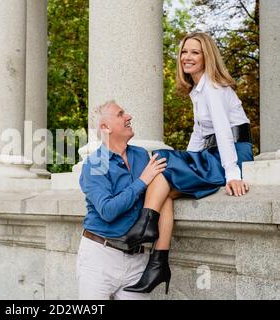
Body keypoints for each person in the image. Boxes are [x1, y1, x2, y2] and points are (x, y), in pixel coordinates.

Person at [123, 32, 254, 294]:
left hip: (230, 154)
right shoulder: (198, 89)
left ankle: (145, 226)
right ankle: (158, 262)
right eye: (184, 52)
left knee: (161, 164)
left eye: (195, 52)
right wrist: (185, 159)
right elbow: (199, 133)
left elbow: (223, 132)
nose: (187, 57)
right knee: (164, 185)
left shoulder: (214, 87)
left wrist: (232, 174)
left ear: (207, 57)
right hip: (210, 153)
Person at [77, 100, 169, 300]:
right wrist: (143, 180)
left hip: (138, 260)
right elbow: (108, 210)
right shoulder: (95, 164)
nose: (128, 117)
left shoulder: (141, 156)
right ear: (105, 127)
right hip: (100, 257)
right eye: (120, 114)